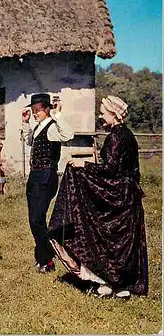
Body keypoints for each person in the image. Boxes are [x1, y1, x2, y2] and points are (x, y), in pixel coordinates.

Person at [48, 95, 148, 298]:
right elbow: (128, 171)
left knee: (107, 239)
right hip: (128, 195)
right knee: (123, 243)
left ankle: (108, 283)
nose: (101, 117)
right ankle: (123, 286)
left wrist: (83, 165)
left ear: (114, 114)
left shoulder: (116, 136)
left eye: (103, 113)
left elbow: (109, 169)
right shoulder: (128, 135)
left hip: (118, 195)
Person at [21, 93, 73, 273]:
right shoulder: (38, 127)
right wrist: (26, 123)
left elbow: (68, 135)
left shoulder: (52, 127)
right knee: (34, 220)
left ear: (47, 109)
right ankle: (44, 255)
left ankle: (47, 258)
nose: (35, 113)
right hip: (35, 175)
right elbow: (29, 141)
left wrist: (58, 115)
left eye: (38, 110)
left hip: (46, 175)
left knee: (37, 219)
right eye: (33, 110)